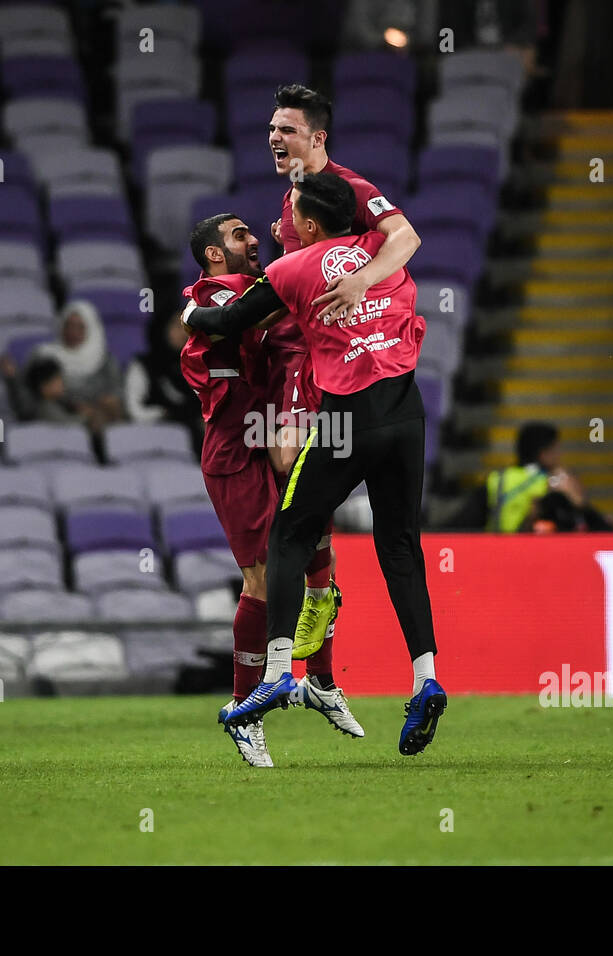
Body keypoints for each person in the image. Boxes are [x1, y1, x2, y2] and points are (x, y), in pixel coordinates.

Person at [183, 173, 445, 757]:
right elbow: (401, 234)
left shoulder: (291, 272)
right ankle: (426, 677)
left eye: (289, 217)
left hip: (345, 423)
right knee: (399, 547)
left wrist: (191, 317)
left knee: (291, 533)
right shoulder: (382, 254)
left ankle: (282, 672)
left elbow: (224, 320)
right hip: (406, 416)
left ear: (308, 225)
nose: (274, 229)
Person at [184, 212, 364, 767]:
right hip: (238, 451)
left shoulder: (266, 286)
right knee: (263, 580)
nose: (253, 240)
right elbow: (221, 320)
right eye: (239, 236)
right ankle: (244, 710)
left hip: (278, 430)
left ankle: (323, 681)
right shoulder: (219, 291)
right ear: (216, 253)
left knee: (318, 557)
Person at [263, 83, 426, 666]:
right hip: (299, 358)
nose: (276, 137)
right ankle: (319, 589)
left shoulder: (350, 189)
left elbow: (405, 238)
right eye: (274, 128)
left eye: (288, 129)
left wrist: (362, 282)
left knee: (294, 469)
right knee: (286, 468)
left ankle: (318, 593)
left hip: (342, 362)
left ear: (317, 137)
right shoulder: (291, 204)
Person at [464, 422, 613, 532]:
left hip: (496, 552)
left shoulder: (497, 479)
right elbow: (600, 528)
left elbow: (465, 522)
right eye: (556, 449)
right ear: (544, 454)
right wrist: (579, 502)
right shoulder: (555, 482)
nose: (560, 455)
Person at [32, 299, 125, 432]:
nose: (72, 332)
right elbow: (36, 395)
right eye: (68, 325)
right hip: (58, 416)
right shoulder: (44, 355)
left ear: (91, 328)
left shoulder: (106, 360)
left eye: (80, 327)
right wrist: (75, 407)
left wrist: (94, 410)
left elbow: (114, 396)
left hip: (99, 417)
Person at [124, 309, 200, 434]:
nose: (184, 332)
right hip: (153, 436)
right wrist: (164, 414)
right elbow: (134, 411)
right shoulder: (143, 365)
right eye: (176, 325)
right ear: (162, 329)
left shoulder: (199, 364)